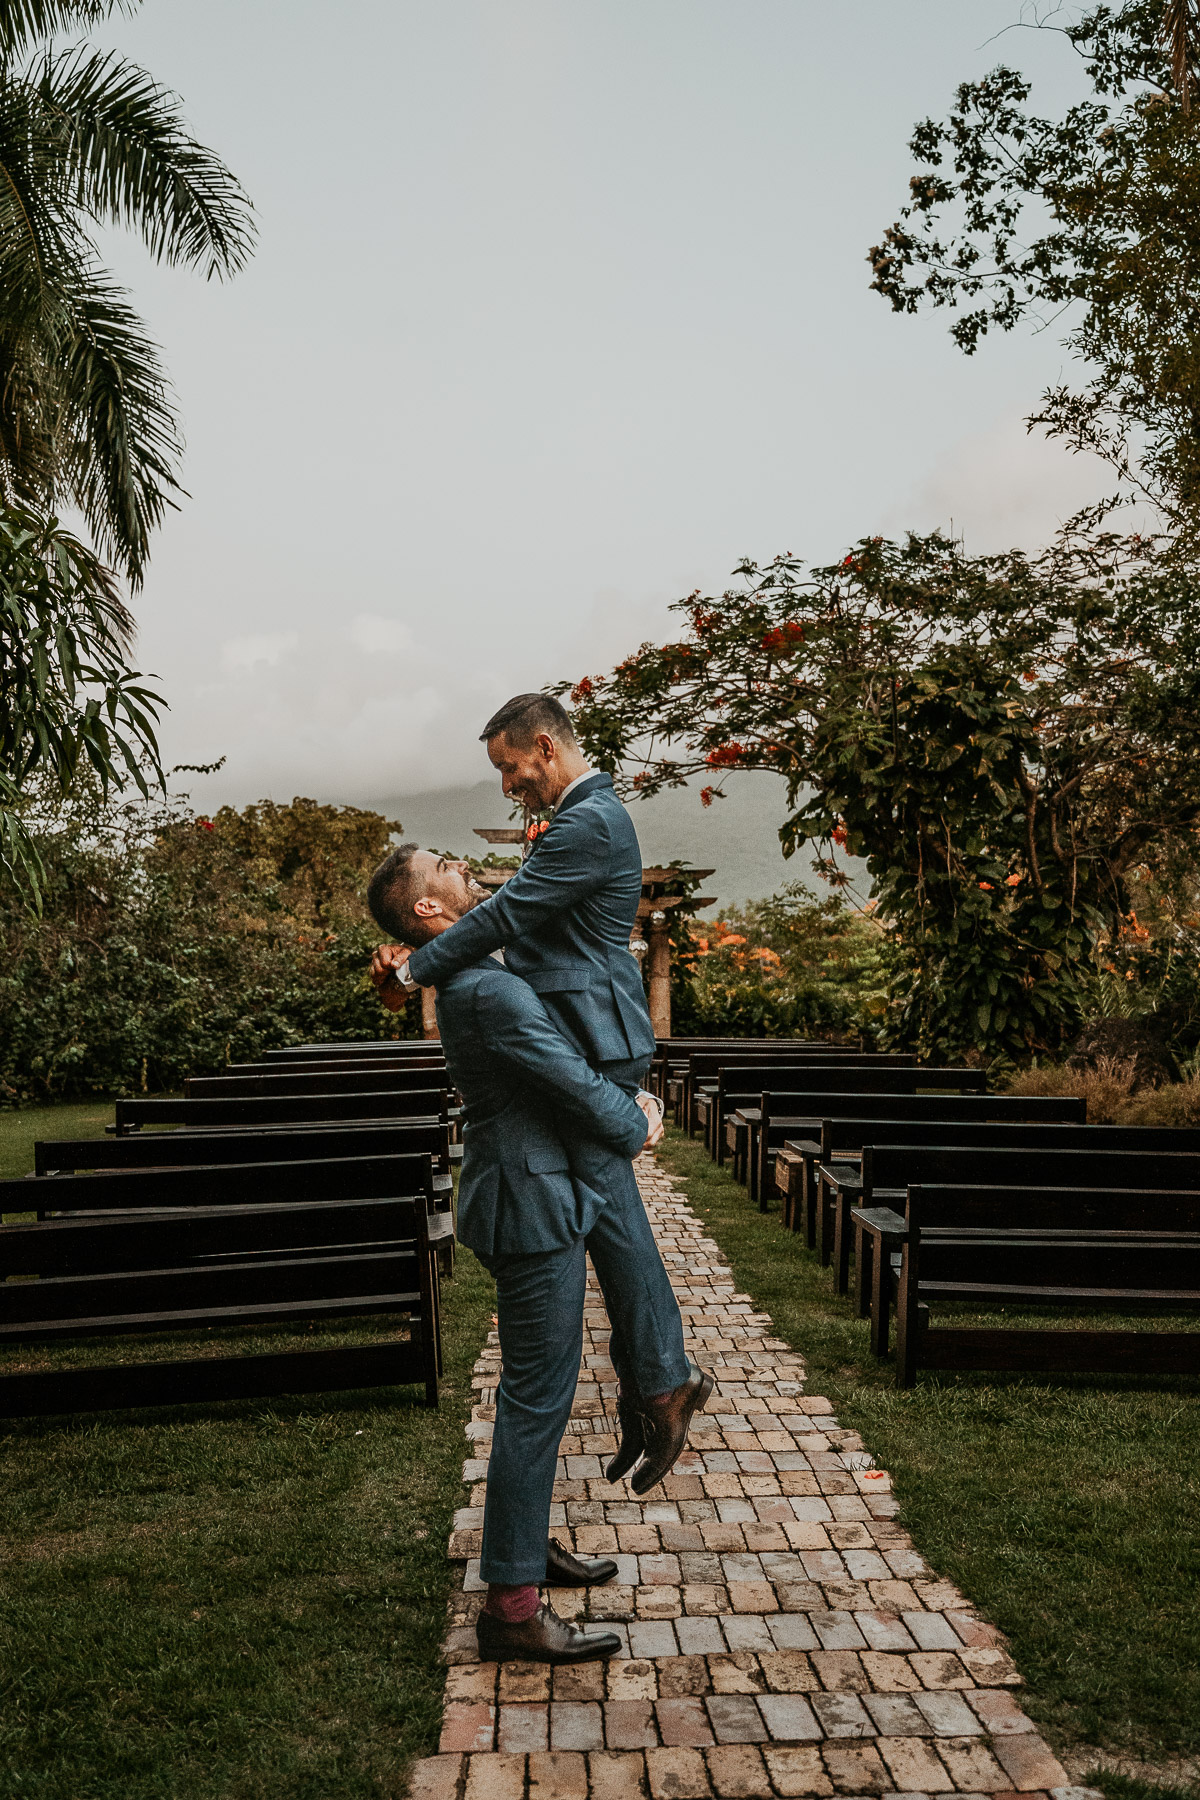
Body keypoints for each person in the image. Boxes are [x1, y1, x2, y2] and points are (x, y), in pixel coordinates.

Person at [369, 693, 711, 1498]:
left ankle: (662, 1385)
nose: (506, 784)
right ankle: (660, 1386)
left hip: (596, 1038)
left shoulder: (591, 820)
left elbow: (512, 914)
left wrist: (414, 968)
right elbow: (503, 920)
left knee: (616, 1213)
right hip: (587, 1037)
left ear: (546, 749)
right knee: (616, 1217)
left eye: (508, 766)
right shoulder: (575, 822)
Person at [366, 845, 681, 1662]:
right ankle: (511, 1607)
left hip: (527, 1192)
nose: (462, 867)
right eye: (443, 868)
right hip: (529, 1203)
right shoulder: (489, 992)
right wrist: (634, 1122)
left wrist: (401, 974)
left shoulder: (469, 973)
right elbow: (569, 1081)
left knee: (532, 1394)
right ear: (427, 910)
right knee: (538, 1399)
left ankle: (524, 1544)